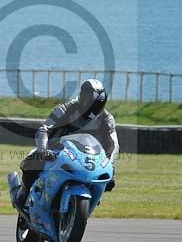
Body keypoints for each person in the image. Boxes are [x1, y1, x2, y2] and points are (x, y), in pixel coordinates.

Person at [11, 79, 118, 210]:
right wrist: (43, 149)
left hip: (88, 157)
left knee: (105, 181)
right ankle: (23, 194)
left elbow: (113, 144)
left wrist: (111, 166)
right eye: (92, 104)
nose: (94, 109)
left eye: (99, 104)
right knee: (31, 160)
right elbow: (43, 130)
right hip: (56, 151)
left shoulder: (107, 119)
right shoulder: (64, 109)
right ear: (83, 98)